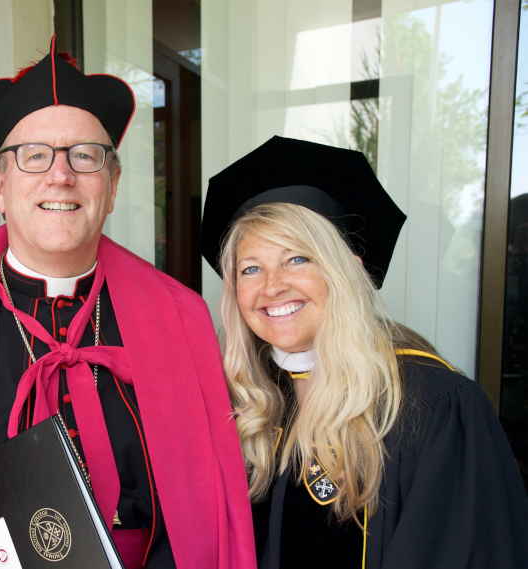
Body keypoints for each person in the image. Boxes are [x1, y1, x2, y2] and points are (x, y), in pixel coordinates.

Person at [0, 36, 255, 569]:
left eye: (85, 157)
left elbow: (208, 513)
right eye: (34, 156)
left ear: (111, 185)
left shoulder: (178, 319)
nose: (59, 175)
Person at [198, 136, 528, 568]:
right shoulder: (242, 401)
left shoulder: (432, 407)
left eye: (298, 259)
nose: (272, 286)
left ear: (348, 269)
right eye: (251, 268)